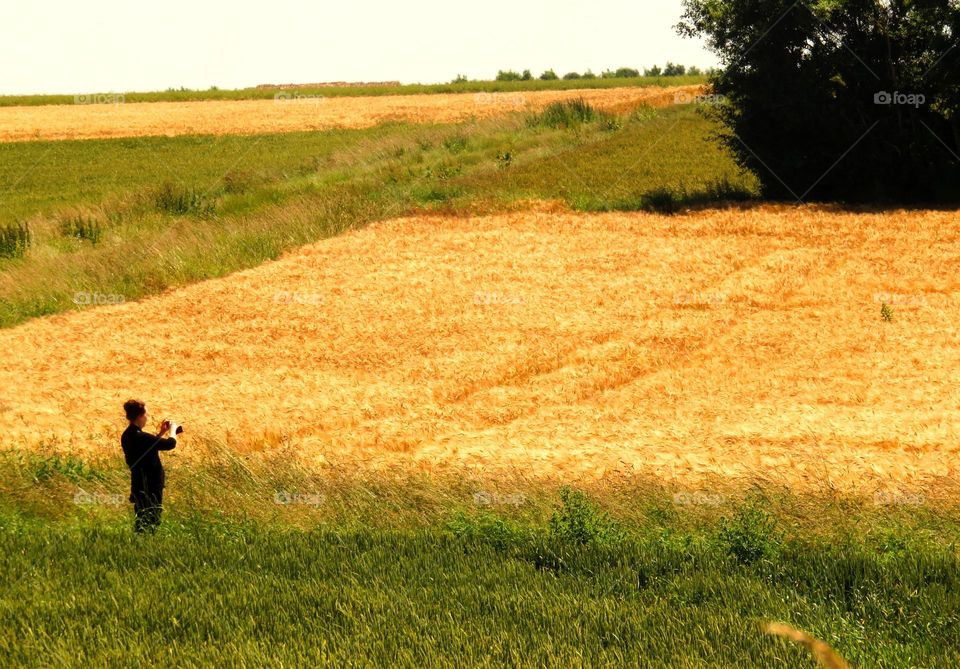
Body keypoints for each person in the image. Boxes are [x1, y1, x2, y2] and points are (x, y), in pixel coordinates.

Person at [120, 399, 179, 533]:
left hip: (138, 483)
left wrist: (160, 434)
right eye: (146, 414)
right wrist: (173, 430)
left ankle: (139, 546)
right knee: (152, 520)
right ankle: (144, 547)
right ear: (140, 416)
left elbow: (147, 448)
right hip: (150, 484)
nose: (147, 417)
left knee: (141, 518)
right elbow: (170, 444)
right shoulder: (141, 436)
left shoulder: (127, 435)